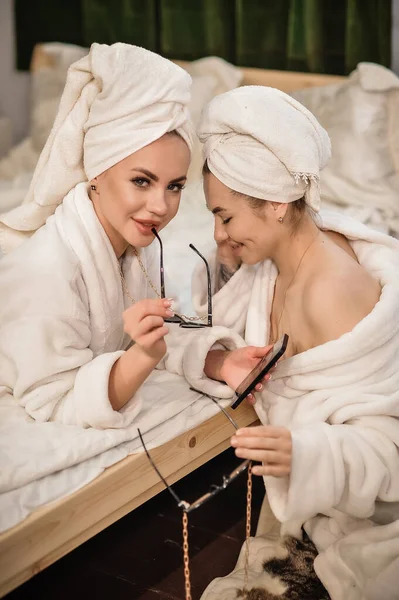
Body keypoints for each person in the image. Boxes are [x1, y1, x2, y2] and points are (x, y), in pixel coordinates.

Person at [166, 86, 399, 599]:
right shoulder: (267, 270)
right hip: (317, 506)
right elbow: (195, 323)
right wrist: (219, 357)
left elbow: (390, 447)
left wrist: (307, 451)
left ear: (275, 203)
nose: (218, 233)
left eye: (225, 216)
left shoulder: (332, 292)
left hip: (372, 516)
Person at [0, 42, 193, 429]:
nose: (160, 206)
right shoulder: (46, 270)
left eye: (175, 186)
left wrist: (219, 360)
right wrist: (141, 357)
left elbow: (166, 330)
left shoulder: (139, 243)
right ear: (97, 173)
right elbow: (56, 402)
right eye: (142, 180)